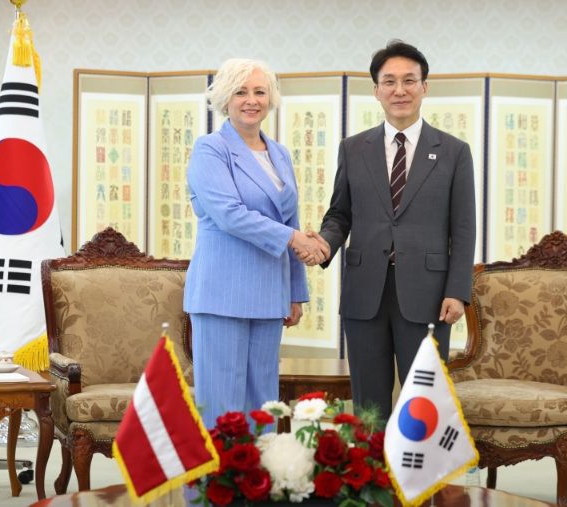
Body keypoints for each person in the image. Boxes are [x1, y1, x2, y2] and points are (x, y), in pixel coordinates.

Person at [304, 40, 476, 420]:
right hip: (365, 294)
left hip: (429, 296)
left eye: (409, 81)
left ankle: (421, 465)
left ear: (424, 87)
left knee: (425, 406)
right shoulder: (353, 148)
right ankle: (372, 462)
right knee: (369, 409)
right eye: (390, 82)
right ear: (376, 90)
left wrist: (457, 291)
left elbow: (464, 230)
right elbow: (340, 215)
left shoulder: (453, 152)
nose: (400, 90)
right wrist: (324, 245)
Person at [184, 58, 327, 428]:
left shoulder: (279, 153)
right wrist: (294, 238)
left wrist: (294, 293)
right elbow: (229, 214)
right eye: (241, 92)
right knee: (222, 408)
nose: (252, 100)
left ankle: (260, 468)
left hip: (269, 294)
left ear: (271, 98)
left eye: (260, 91)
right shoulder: (210, 149)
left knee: (262, 406)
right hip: (221, 293)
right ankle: (219, 470)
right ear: (224, 99)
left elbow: (290, 219)